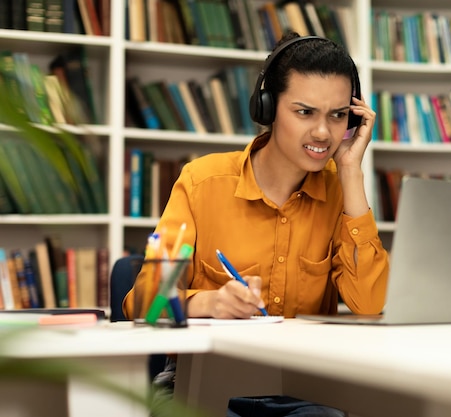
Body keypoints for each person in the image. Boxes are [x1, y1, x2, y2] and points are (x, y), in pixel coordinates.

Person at [123, 32, 389, 417]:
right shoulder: (201, 183)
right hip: (204, 381)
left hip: (304, 386)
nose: (322, 132)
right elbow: (145, 303)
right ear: (267, 108)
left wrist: (350, 174)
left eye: (337, 115)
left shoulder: (341, 196)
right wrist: (210, 303)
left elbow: (371, 306)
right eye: (304, 112)